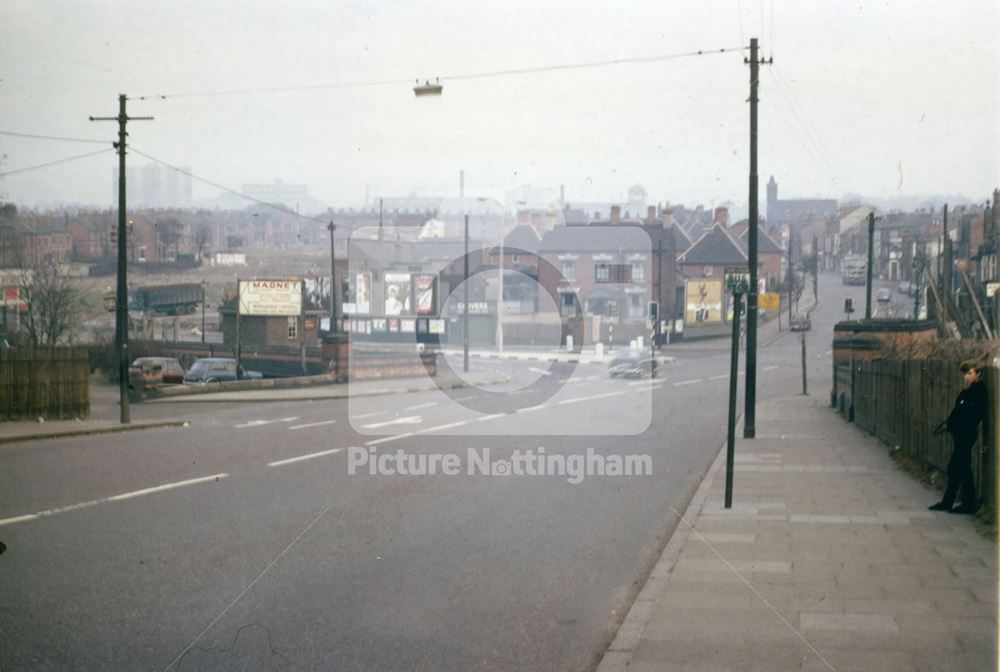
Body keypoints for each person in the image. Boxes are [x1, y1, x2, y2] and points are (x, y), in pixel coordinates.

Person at [929, 360, 989, 514]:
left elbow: (973, 415)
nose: (966, 377)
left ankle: (968, 504)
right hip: (961, 434)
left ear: (978, 374)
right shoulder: (969, 391)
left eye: (970, 373)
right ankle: (949, 502)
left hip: (966, 435)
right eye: (965, 374)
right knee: (955, 468)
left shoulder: (979, 391)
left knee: (962, 468)